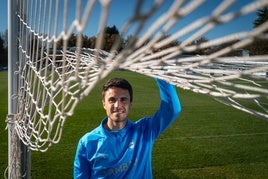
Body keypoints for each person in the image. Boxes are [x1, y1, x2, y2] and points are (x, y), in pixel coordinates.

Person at [73, 77, 181, 178]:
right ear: (104, 104)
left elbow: (172, 109)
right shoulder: (87, 142)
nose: (117, 105)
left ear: (130, 104)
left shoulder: (145, 131)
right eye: (112, 100)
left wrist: (160, 71)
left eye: (123, 99)